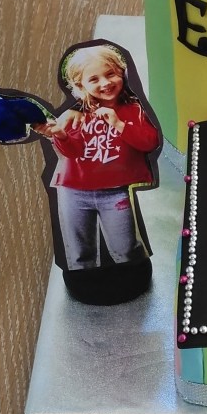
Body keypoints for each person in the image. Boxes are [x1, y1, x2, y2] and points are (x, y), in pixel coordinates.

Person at [35, 44, 160, 271]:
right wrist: (60, 135)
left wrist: (119, 124)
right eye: (94, 79)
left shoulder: (133, 109)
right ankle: (84, 281)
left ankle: (135, 276)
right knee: (79, 251)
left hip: (116, 192)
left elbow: (150, 143)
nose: (105, 83)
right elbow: (72, 152)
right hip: (73, 191)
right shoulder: (76, 114)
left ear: (122, 72)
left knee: (126, 247)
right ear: (80, 85)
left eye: (110, 74)